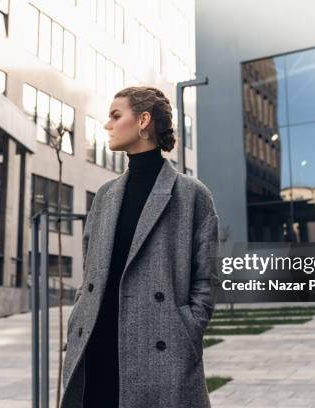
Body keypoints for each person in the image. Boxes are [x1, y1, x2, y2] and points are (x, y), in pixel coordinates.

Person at [60, 86, 220, 408]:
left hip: (160, 350)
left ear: (143, 120)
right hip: (95, 345)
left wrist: (186, 329)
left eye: (116, 116)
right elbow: (89, 274)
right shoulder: (105, 195)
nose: (107, 125)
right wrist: (77, 316)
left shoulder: (191, 195)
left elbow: (206, 279)